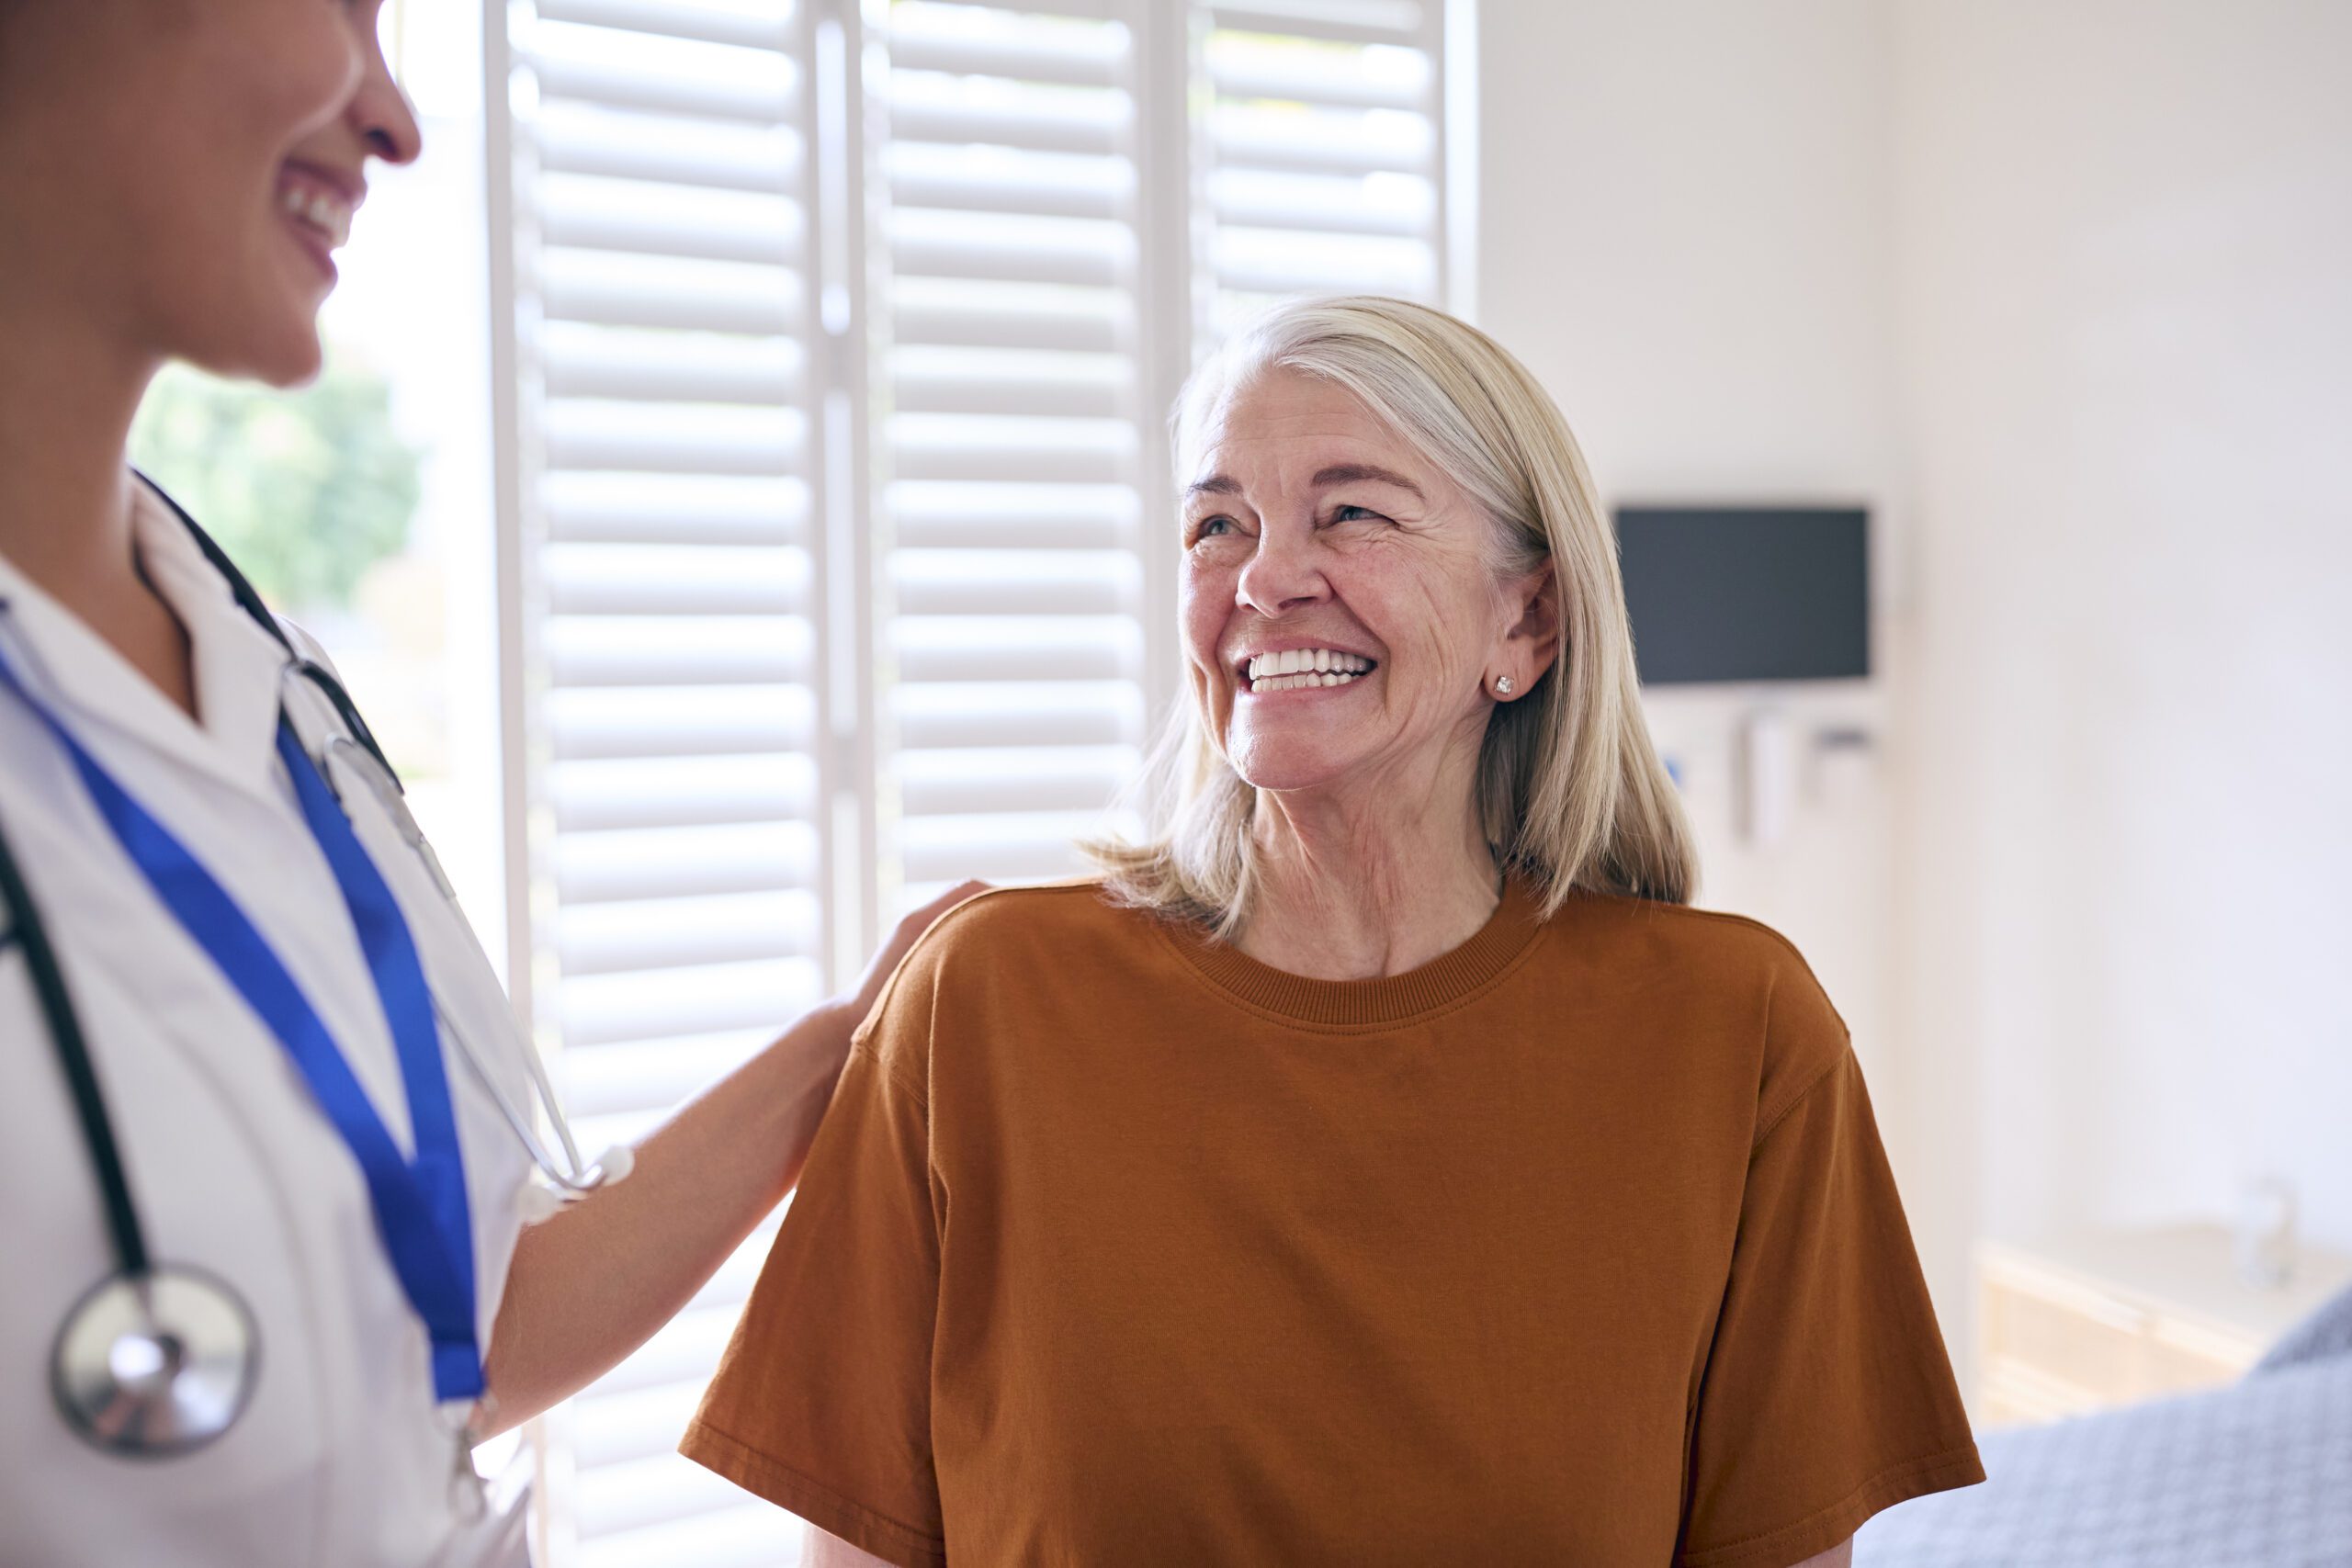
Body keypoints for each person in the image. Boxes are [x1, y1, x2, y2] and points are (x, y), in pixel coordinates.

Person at [681, 296, 1988, 1567]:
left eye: (1351, 511)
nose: (1264, 577)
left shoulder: (1740, 1035)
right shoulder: (982, 1005)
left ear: (1525, 621)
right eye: (1216, 524)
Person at [0, 4, 977, 1563]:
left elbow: (462, 1323)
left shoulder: (254, 666)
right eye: (339, 11)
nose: (395, 119)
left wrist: (852, 1048)